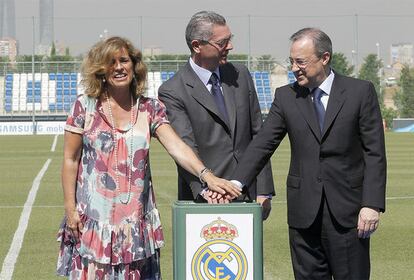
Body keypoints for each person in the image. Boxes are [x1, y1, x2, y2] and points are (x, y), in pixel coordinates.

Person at [56, 36, 241, 279]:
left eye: (124, 60)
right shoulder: (84, 106)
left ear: (134, 66)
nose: (119, 67)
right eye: (111, 63)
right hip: (93, 222)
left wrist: (208, 176)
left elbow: (176, 146)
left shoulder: (149, 108)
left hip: (136, 225)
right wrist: (70, 209)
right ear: (101, 70)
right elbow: (70, 160)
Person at [231, 28, 386, 279]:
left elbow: (375, 153)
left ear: (324, 58)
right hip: (303, 215)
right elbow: (263, 144)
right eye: (291, 61)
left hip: (348, 215)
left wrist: (371, 204)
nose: (294, 67)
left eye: (300, 61)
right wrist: (235, 183)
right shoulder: (286, 97)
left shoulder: (360, 92)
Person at [158, 11, 274, 215]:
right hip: (204, 199)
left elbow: (259, 136)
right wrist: (206, 189)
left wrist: (264, 191)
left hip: (247, 194)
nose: (230, 46)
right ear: (197, 46)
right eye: (222, 42)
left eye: (230, 40)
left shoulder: (241, 75)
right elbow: (185, 146)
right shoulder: (173, 90)